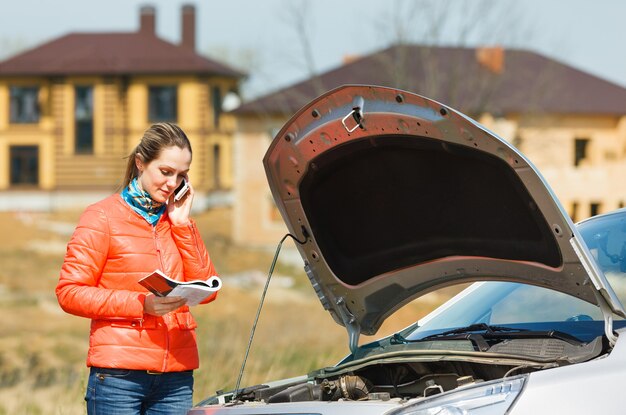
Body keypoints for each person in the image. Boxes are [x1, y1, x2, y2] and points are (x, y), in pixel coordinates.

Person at [56, 122, 218, 415]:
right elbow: (69, 292)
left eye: (182, 175)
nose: (172, 183)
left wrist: (182, 224)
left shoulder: (177, 221)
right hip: (119, 378)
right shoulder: (101, 217)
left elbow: (207, 290)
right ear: (141, 163)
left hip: (176, 378)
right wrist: (142, 304)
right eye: (165, 172)